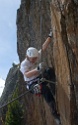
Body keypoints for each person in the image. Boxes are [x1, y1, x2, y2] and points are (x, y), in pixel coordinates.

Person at [20, 31, 61, 124]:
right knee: (45, 90)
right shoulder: (24, 64)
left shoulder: (35, 56)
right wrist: (37, 69)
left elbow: (43, 48)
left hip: (39, 78)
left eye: (35, 58)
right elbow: (26, 74)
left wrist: (49, 36)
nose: (35, 60)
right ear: (28, 57)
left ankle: (55, 90)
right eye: (33, 59)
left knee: (50, 71)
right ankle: (55, 114)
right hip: (32, 84)